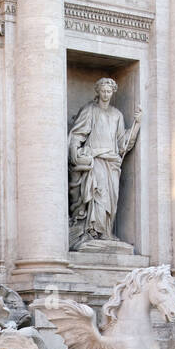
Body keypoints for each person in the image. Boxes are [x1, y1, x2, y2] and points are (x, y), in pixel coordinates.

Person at [68, 77, 141, 246]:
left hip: (112, 162)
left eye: (109, 91)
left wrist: (136, 125)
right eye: (103, 91)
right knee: (98, 196)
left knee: (111, 199)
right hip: (96, 159)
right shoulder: (90, 110)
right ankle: (94, 232)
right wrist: (75, 153)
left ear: (113, 92)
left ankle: (106, 231)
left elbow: (123, 142)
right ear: (98, 91)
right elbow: (77, 134)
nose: (106, 94)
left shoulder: (117, 115)